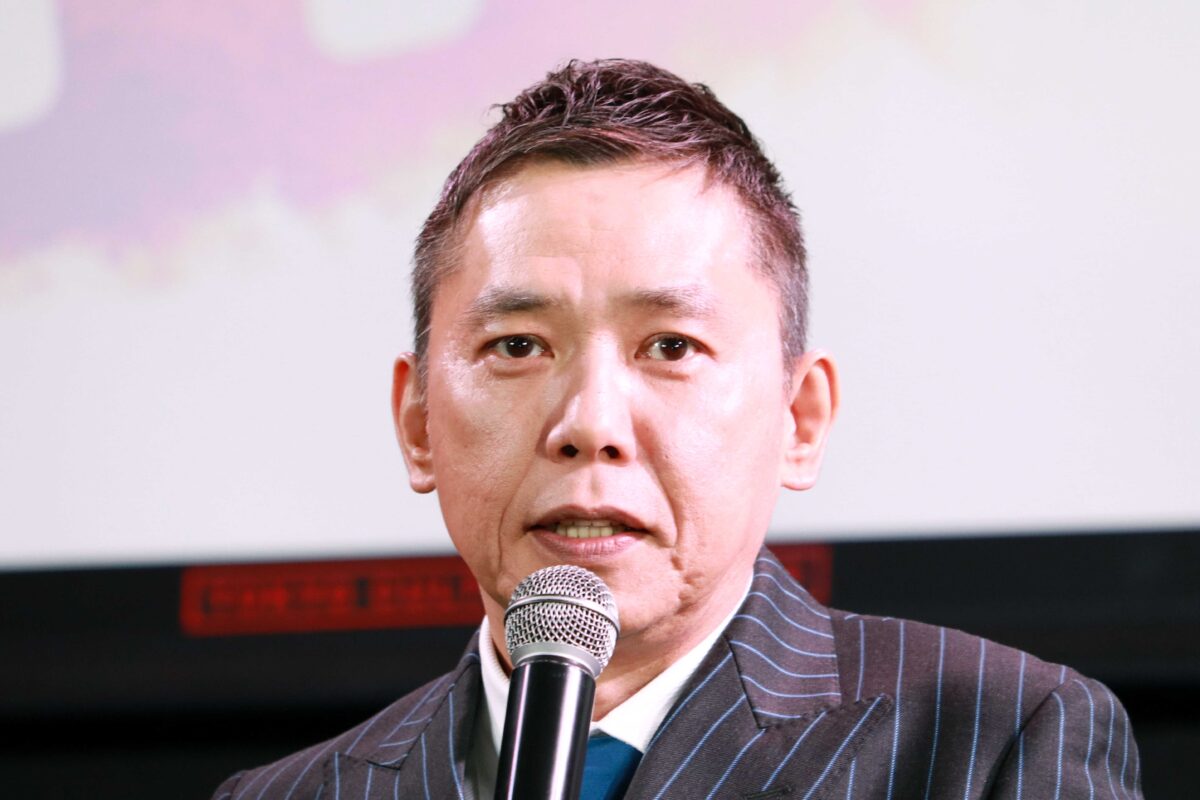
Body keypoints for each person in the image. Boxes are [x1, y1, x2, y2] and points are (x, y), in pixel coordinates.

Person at [213, 59, 1143, 800]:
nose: (589, 425)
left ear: (800, 419)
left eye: (670, 345)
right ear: (418, 424)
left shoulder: (993, 743)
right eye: (519, 346)